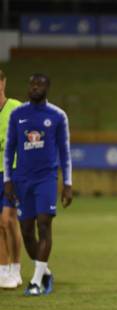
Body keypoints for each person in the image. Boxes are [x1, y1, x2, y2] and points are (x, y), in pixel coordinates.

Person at [3, 73, 72, 296]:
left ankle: (35, 281)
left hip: (46, 178)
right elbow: (10, 149)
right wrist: (8, 180)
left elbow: (65, 152)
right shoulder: (17, 114)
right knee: (26, 230)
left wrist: (67, 184)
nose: (35, 88)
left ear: (47, 88)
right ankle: (45, 272)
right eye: (32, 84)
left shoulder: (57, 116)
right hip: (22, 178)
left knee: (44, 224)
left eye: (39, 84)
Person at [0, 70, 23, 289]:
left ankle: (15, 267)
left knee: (8, 220)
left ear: (3, 83)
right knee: (0, 223)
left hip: (12, 172)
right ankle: (3, 270)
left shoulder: (16, 108)